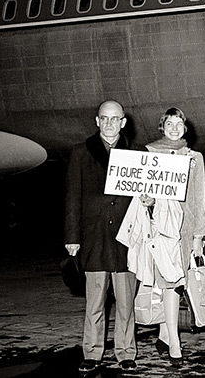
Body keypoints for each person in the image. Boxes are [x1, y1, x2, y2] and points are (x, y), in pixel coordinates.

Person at [119, 107, 205, 364]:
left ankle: (167, 334)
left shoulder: (194, 157)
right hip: (161, 227)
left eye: (180, 123)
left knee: (177, 282)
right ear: (162, 126)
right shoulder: (149, 152)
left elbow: (198, 197)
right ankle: (174, 343)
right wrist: (146, 201)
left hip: (185, 226)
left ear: (185, 127)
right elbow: (142, 193)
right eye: (170, 123)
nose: (175, 127)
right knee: (169, 282)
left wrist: (199, 234)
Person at [64, 100, 145, 374]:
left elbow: (147, 198)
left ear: (123, 122)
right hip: (94, 238)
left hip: (126, 239)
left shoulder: (137, 153)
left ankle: (126, 353)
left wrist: (148, 201)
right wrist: (72, 236)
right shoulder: (80, 152)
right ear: (98, 121)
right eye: (105, 118)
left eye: (115, 119)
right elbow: (72, 197)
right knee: (94, 303)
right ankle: (92, 352)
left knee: (126, 303)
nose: (110, 123)